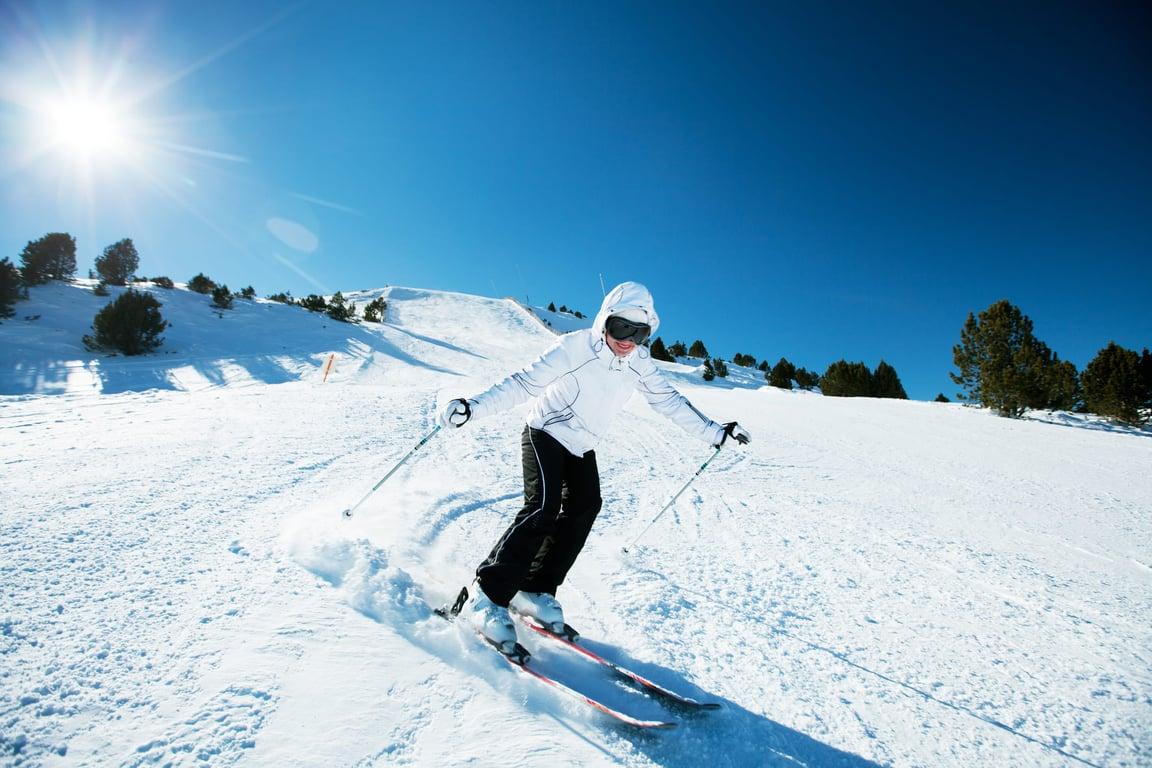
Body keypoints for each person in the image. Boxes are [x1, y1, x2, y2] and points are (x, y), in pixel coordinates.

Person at [439, 281, 751, 653]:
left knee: (586, 506)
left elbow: (670, 402)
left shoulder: (638, 364)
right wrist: (473, 407)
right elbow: (524, 383)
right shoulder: (574, 347)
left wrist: (715, 433)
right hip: (545, 431)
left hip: (581, 445)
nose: (628, 340)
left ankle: (534, 589)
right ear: (605, 321)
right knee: (542, 508)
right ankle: (486, 595)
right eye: (622, 328)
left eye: (640, 332)